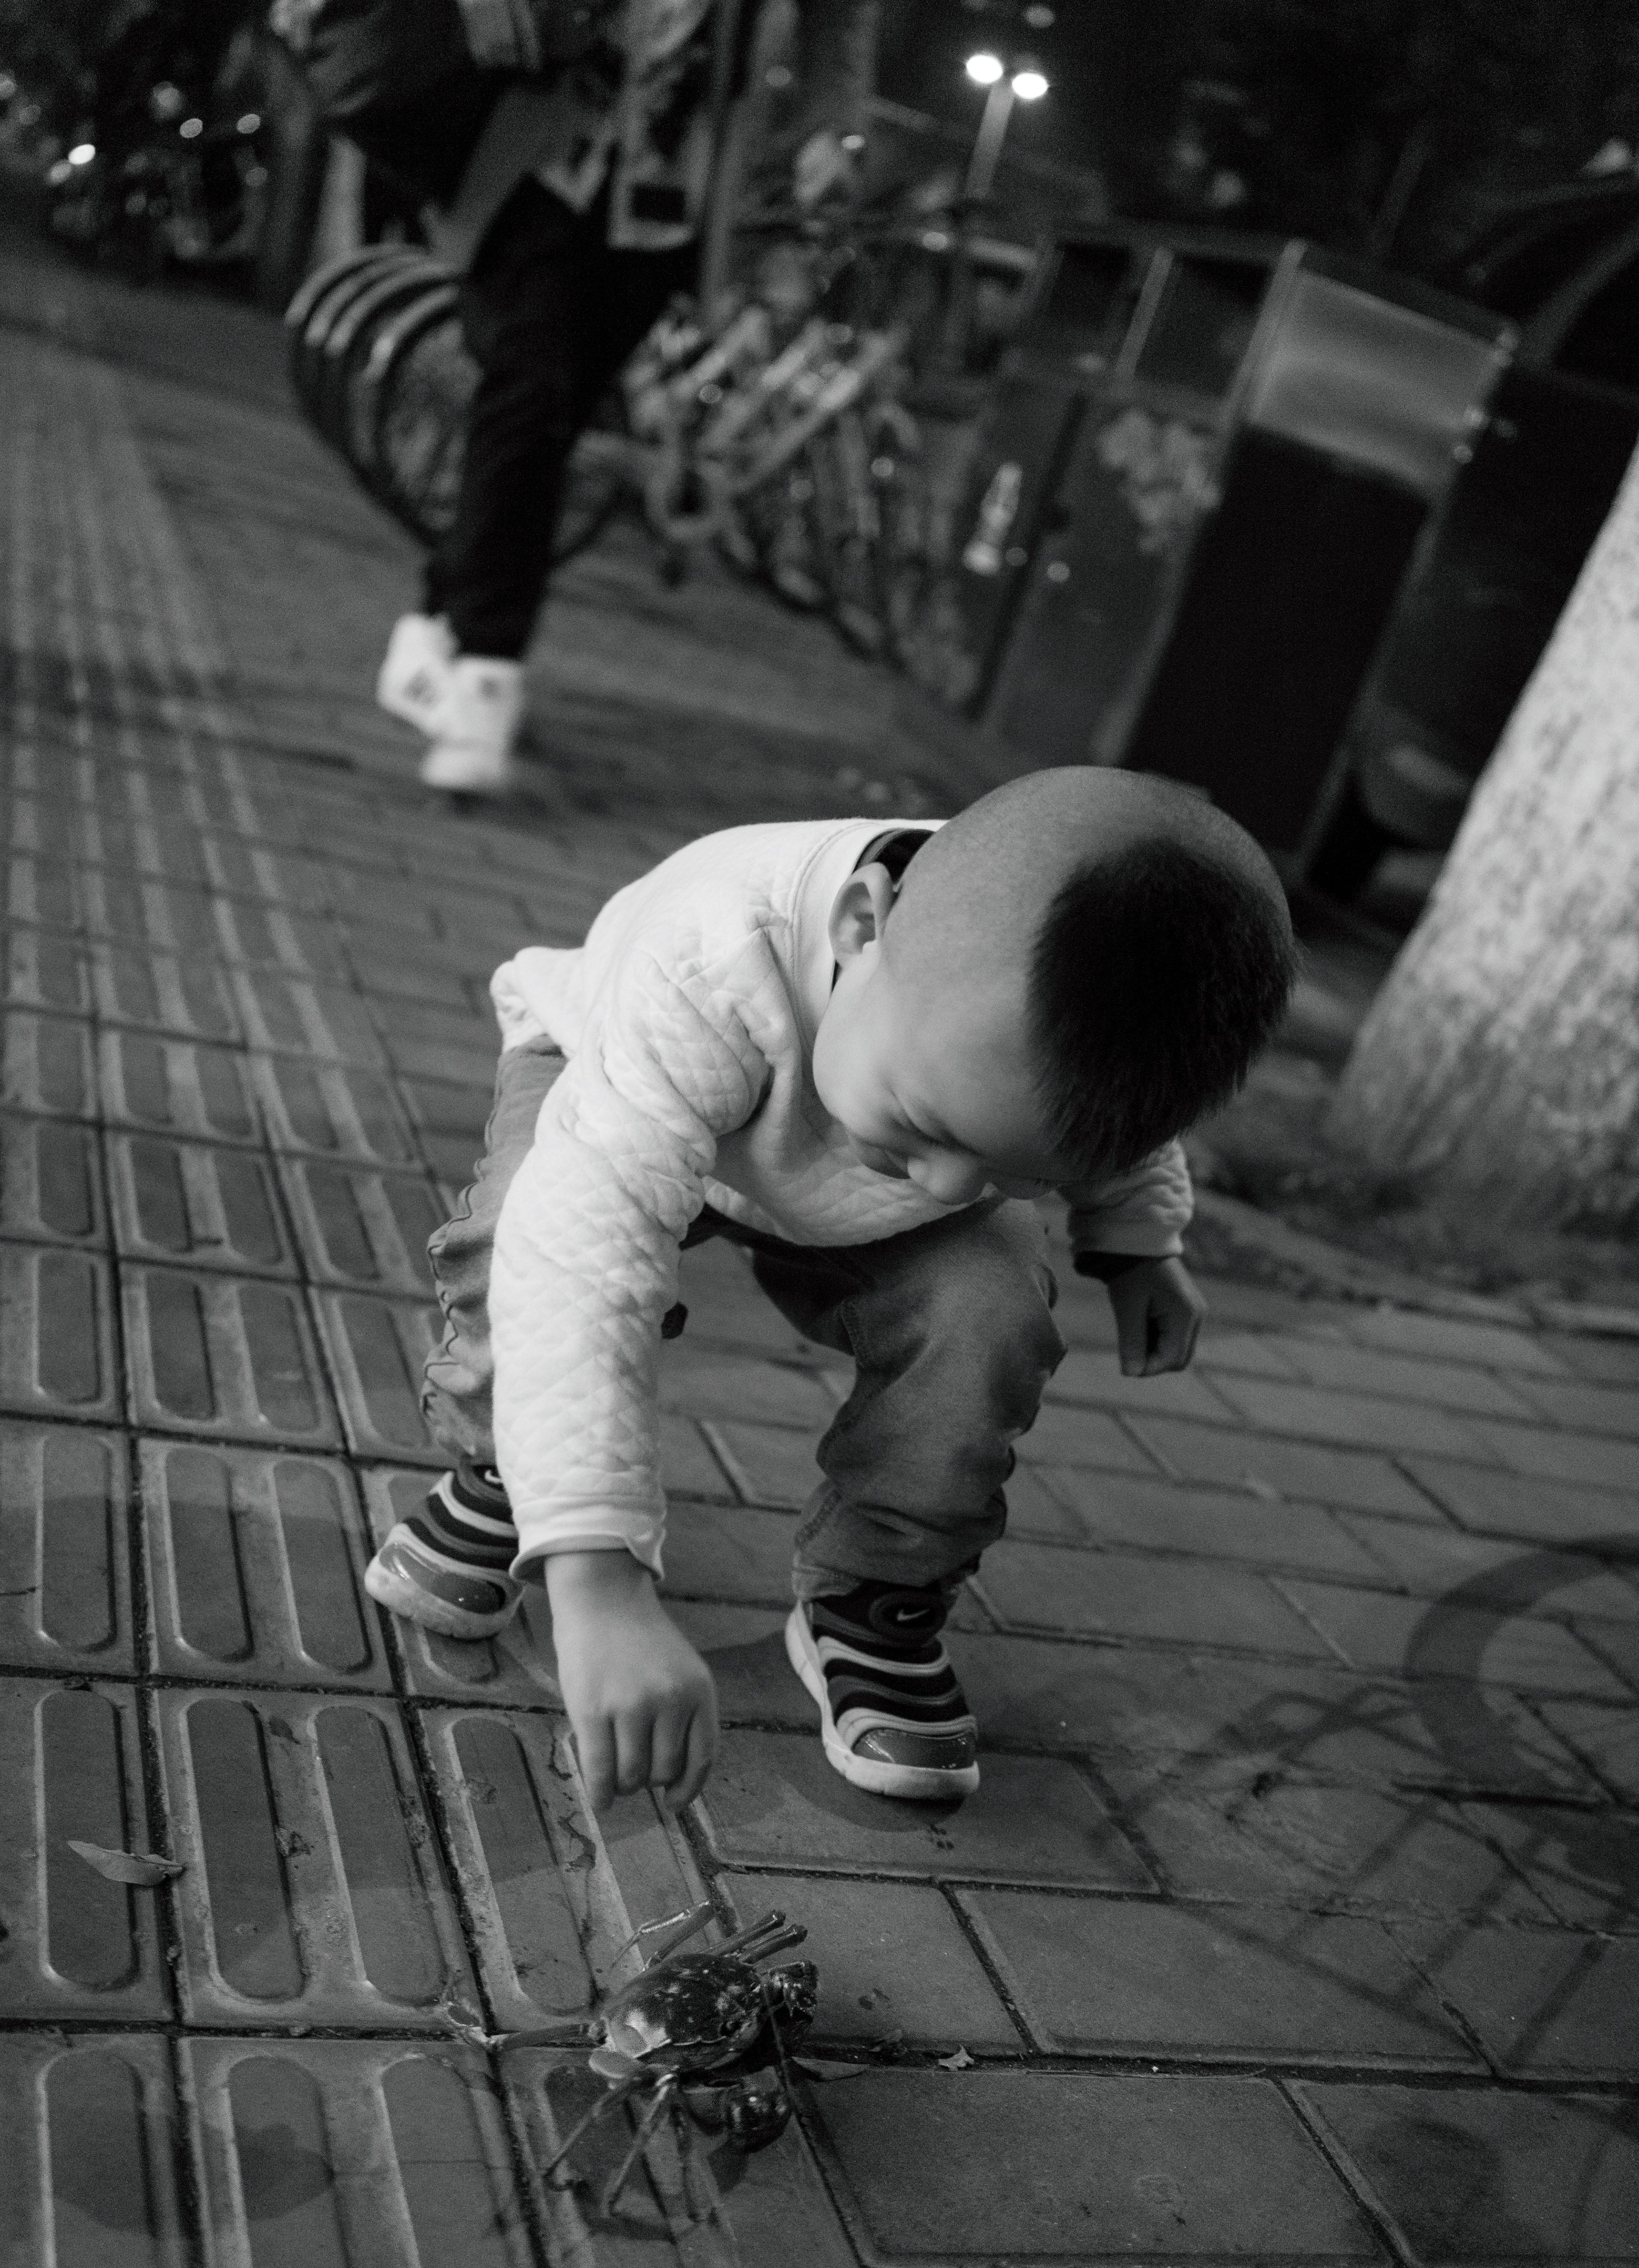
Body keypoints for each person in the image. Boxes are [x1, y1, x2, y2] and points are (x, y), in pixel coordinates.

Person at [364, 766, 1298, 1810]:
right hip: (625, 1086)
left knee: (991, 1309)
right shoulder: (712, 956)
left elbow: (1117, 1136)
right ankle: (513, 1478)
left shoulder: (1060, 1019)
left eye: (1015, 1169)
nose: (950, 1184)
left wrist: (1137, 1244)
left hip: (839, 1150)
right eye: (936, 1127)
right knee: (525, 1237)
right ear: (864, 926)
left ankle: (875, 1591)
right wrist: (599, 1584)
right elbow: (585, 1259)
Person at [365, 0, 879, 794]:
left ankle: (436, 629)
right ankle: (486, 674)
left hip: (666, 185)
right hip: (541, 147)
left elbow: (840, 20)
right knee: (529, 397)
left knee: (553, 421)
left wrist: (831, 130)